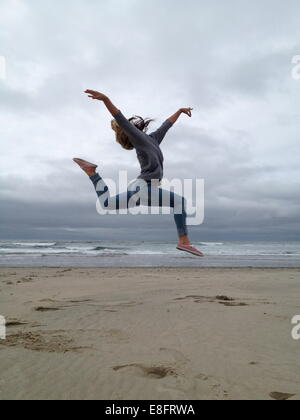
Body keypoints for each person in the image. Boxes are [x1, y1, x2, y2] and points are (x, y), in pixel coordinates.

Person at [73, 90, 204, 257]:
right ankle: (184, 242)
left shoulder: (153, 139)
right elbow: (119, 117)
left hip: (139, 188)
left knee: (106, 203)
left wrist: (179, 111)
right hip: (144, 187)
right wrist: (106, 99)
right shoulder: (138, 138)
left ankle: (92, 173)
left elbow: (167, 124)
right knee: (180, 202)